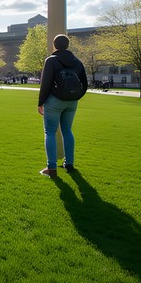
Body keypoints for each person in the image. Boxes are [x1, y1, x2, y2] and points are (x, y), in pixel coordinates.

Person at [37, 33, 88, 178]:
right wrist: (75, 96)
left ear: (54, 45)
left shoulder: (51, 60)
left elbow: (45, 83)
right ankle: (69, 163)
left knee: (50, 132)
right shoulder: (77, 62)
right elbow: (84, 84)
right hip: (72, 101)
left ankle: (51, 168)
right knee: (67, 131)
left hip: (54, 101)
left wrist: (41, 102)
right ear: (68, 45)